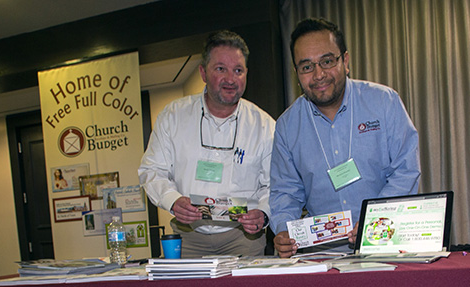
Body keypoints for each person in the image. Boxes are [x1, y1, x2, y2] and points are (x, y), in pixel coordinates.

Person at [269, 18, 421, 257]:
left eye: (327, 61)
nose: (319, 75)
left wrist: (374, 220)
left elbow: (406, 171)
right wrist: (284, 229)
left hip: (387, 245)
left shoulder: (383, 102)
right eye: (307, 66)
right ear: (297, 73)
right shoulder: (287, 126)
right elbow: (285, 192)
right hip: (321, 255)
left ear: (345, 61)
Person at [138, 30, 275, 257]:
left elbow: (274, 185)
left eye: (238, 70)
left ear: (246, 74)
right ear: (203, 72)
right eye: (221, 69)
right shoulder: (173, 116)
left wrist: (263, 212)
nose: (230, 79)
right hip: (187, 236)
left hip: (243, 238)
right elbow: (152, 170)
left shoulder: (265, 125)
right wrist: (172, 201)